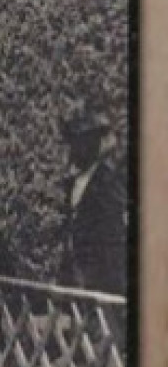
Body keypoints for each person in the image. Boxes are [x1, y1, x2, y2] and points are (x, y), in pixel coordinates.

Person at [60, 110, 128, 297]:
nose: (74, 151)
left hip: (101, 284)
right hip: (75, 283)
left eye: (80, 143)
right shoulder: (73, 183)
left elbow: (114, 239)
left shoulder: (108, 183)